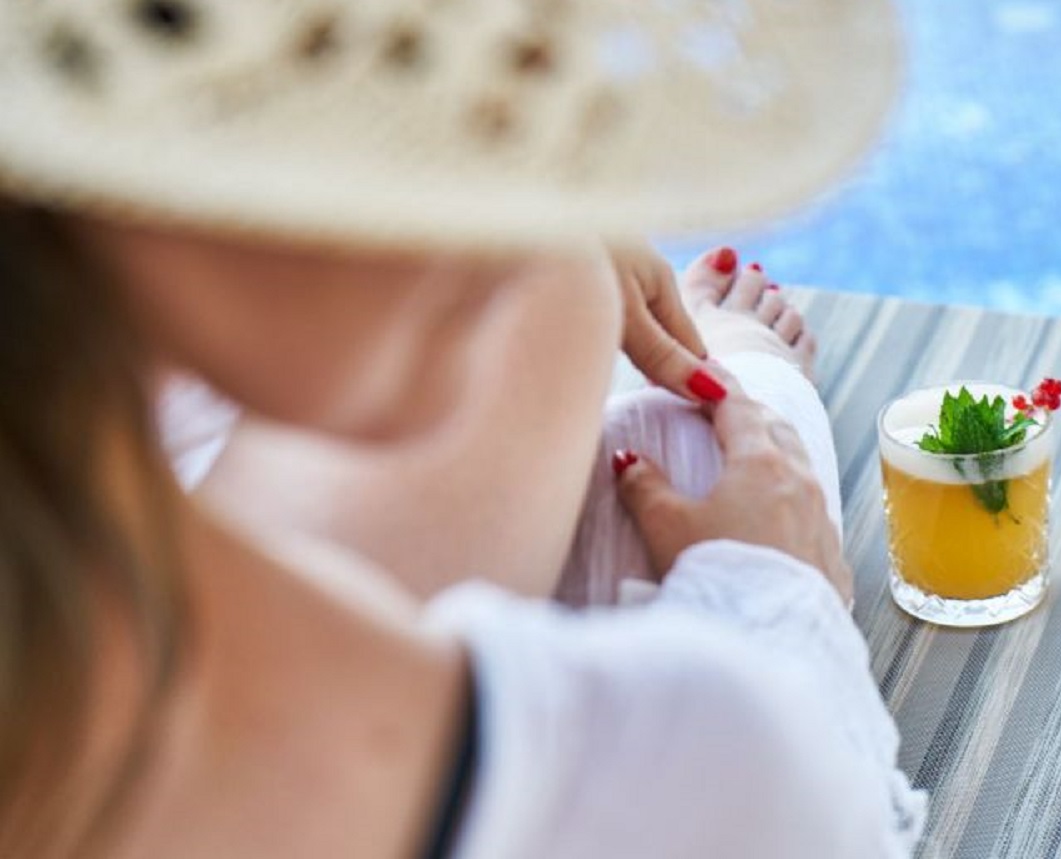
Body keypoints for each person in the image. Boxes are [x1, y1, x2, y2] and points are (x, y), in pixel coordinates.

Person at [0, 1, 924, 857]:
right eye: (418, 84)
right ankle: (756, 396)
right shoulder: (714, 766)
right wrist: (781, 594)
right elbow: (822, 799)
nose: (564, 184)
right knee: (683, 434)